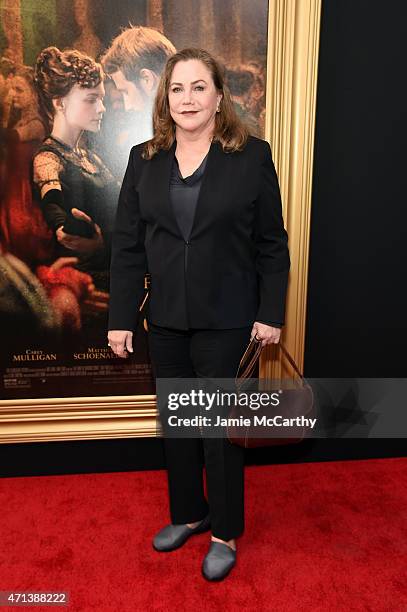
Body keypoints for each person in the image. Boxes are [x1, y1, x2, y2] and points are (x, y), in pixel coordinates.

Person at [107, 47, 290, 581]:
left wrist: (270, 311)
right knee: (180, 425)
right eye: (177, 88)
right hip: (164, 321)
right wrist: (121, 317)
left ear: (218, 96)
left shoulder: (251, 157)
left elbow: (272, 245)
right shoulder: (143, 159)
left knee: (220, 431)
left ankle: (225, 531)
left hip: (230, 321)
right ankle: (189, 514)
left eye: (198, 87)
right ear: (166, 98)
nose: (187, 98)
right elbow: (127, 248)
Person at [32, 46, 121, 293]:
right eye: (91, 99)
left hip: (117, 269)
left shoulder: (91, 157)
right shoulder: (48, 158)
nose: (102, 108)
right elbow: (53, 205)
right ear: (60, 103)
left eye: (101, 98)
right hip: (89, 284)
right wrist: (67, 228)